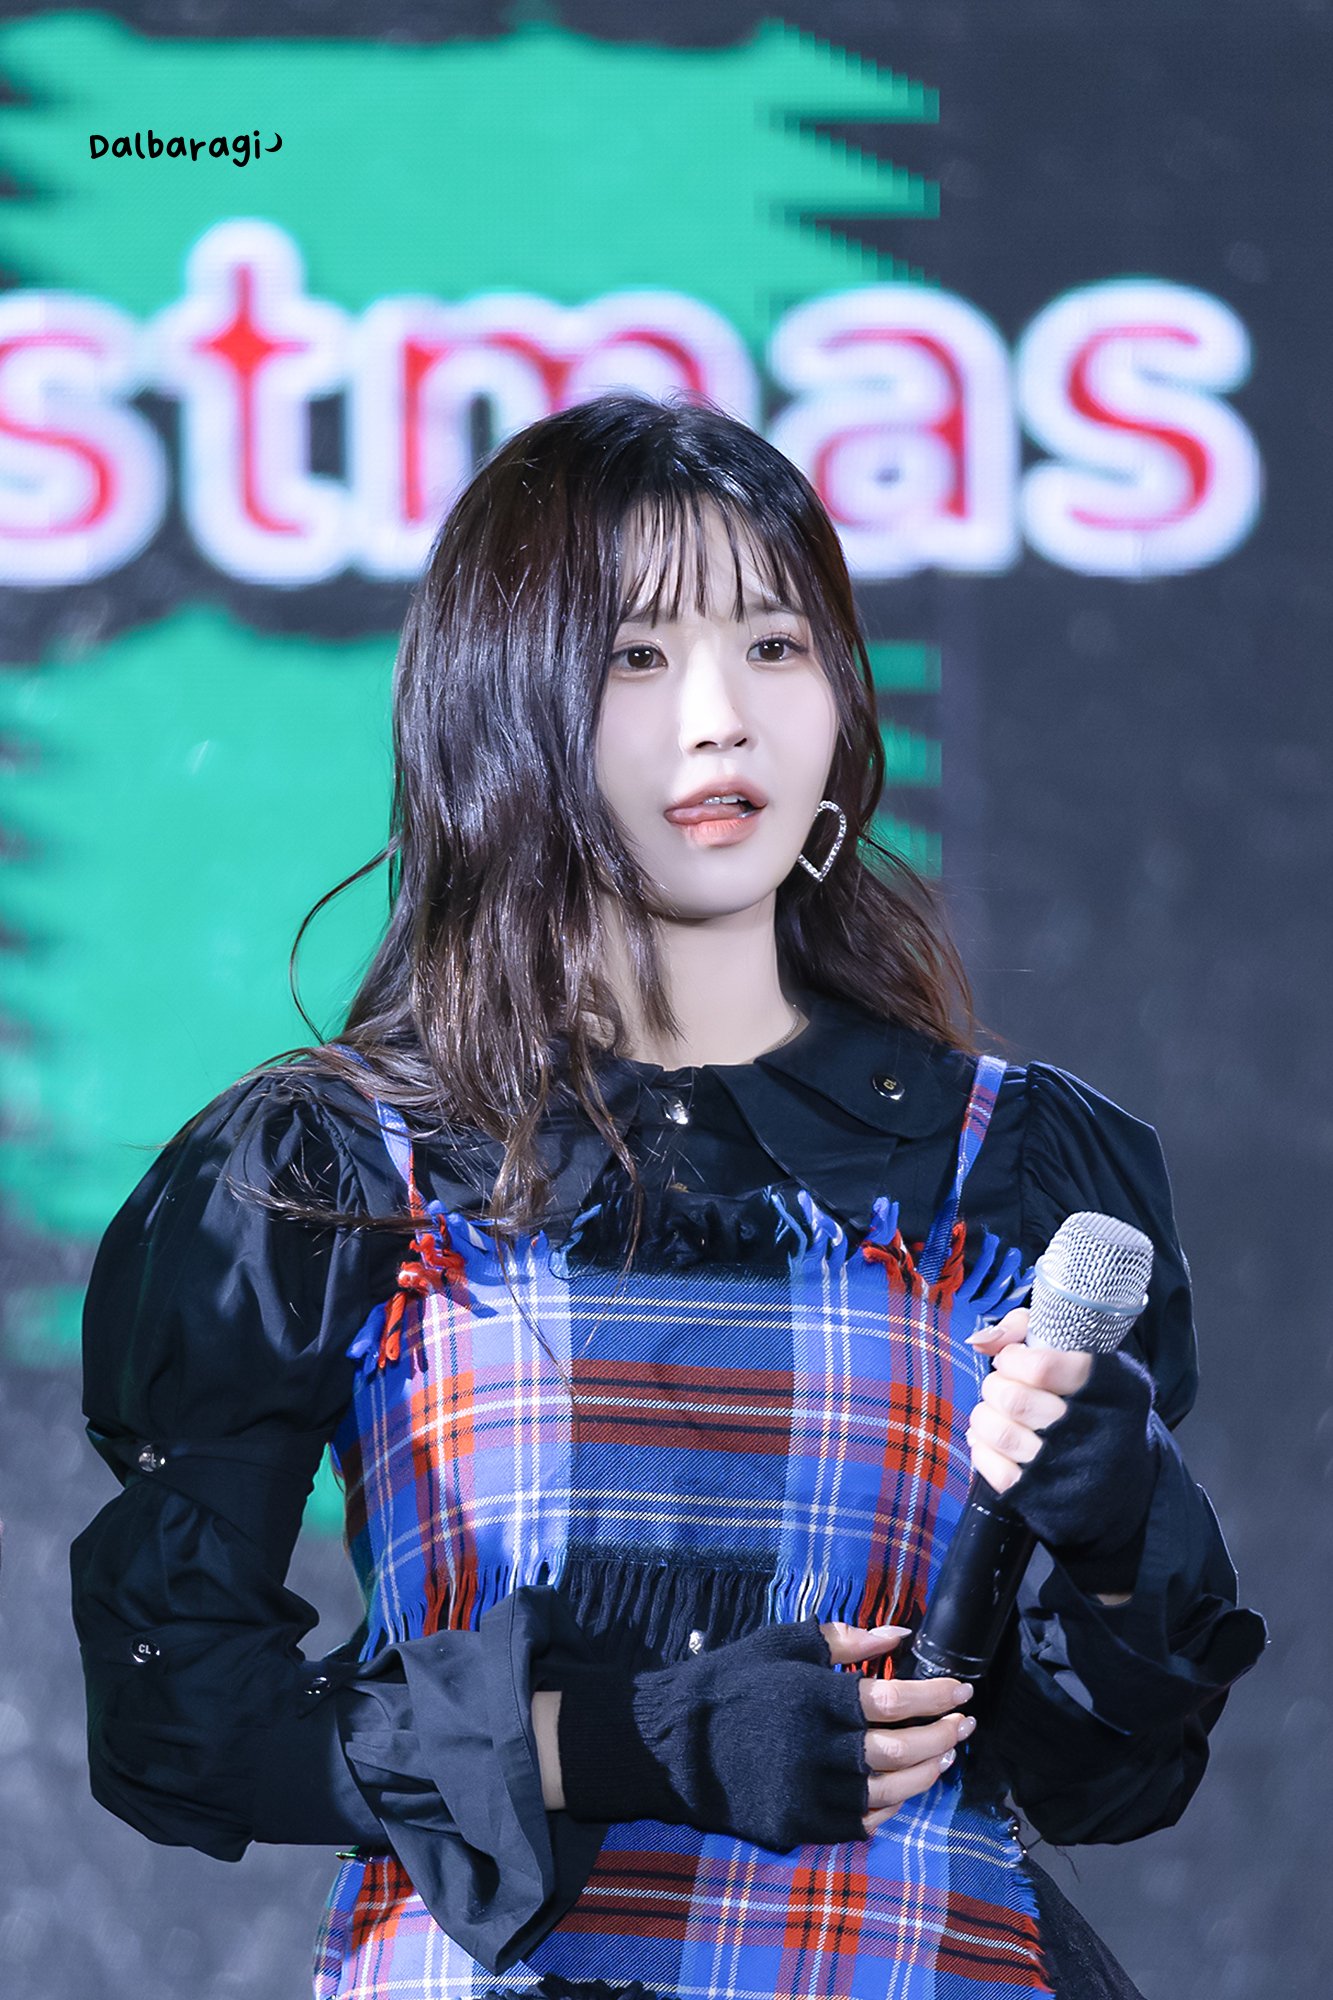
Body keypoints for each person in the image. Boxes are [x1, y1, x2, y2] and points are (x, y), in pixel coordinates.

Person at [73, 392, 1265, 2000]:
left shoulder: (1017, 1163)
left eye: (773, 645)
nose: (722, 720)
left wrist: (1122, 1540)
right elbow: (177, 1711)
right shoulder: (338, 1166)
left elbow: (1098, 1780)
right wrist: (620, 1739)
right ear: (500, 705)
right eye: (635, 656)